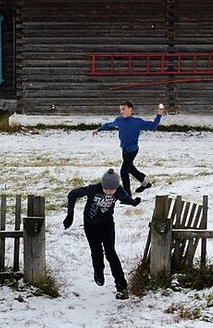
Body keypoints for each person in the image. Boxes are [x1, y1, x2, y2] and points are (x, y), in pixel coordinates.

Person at [64, 169, 140, 300]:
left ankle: (121, 287)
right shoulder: (94, 189)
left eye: (112, 190)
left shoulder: (118, 190)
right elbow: (72, 194)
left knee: (111, 253)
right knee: (96, 251)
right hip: (90, 225)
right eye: (106, 189)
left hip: (107, 225)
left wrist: (133, 202)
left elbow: (125, 198)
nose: (109, 192)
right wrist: (70, 215)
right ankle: (99, 272)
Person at [93, 100, 164, 194]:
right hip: (124, 149)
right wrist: (99, 129)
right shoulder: (119, 120)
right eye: (120, 109)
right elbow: (108, 125)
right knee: (130, 168)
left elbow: (153, 126)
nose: (121, 111)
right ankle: (145, 183)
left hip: (132, 150)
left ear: (130, 109)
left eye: (123, 109)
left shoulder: (137, 122)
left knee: (124, 171)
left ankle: (127, 195)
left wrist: (159, 114)